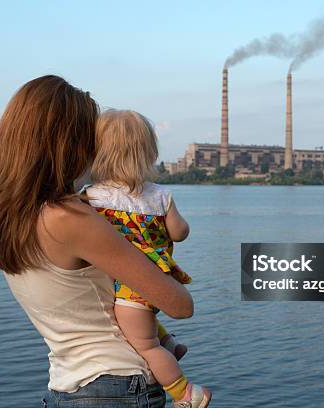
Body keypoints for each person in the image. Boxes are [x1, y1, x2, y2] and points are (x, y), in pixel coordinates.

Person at [0, 75, 194, 408]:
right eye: (91, 139)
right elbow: (180, 305)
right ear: (69, 144)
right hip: (118, 386)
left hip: (66, 385)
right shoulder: (69, 218)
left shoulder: (3, 218)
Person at [85, 109, 211, 407]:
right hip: (158, 281)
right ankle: (171, 344)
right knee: (143, 324)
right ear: (149, 153)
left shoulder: (91, 198)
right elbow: (179, 233)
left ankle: (186, 393)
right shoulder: (161, 196)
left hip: (129, 285)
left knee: (145, 346)